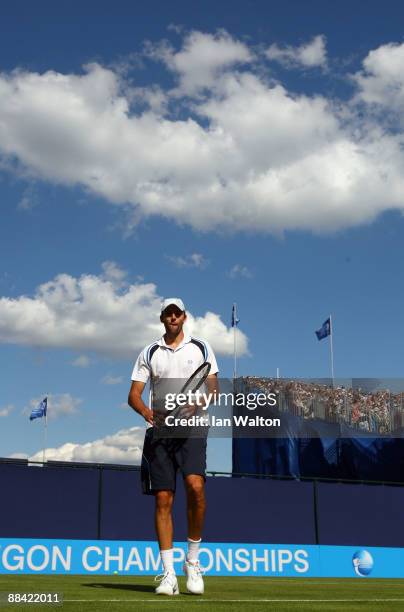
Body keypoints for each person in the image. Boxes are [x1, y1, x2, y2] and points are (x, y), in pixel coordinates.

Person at [128, 298, 219, 596]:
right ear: (162, 318)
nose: (173, 317)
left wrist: (198, 403)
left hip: (193, 430)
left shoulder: (201, 347)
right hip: (160, 434)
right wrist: (145, 412)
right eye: (168, 314)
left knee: (195, 487)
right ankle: (168, 575)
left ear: (184, 316)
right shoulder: (149, 352)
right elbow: (134, 395)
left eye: (176, 313)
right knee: (163, 500)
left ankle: (192, 561)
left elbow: (213, 389)